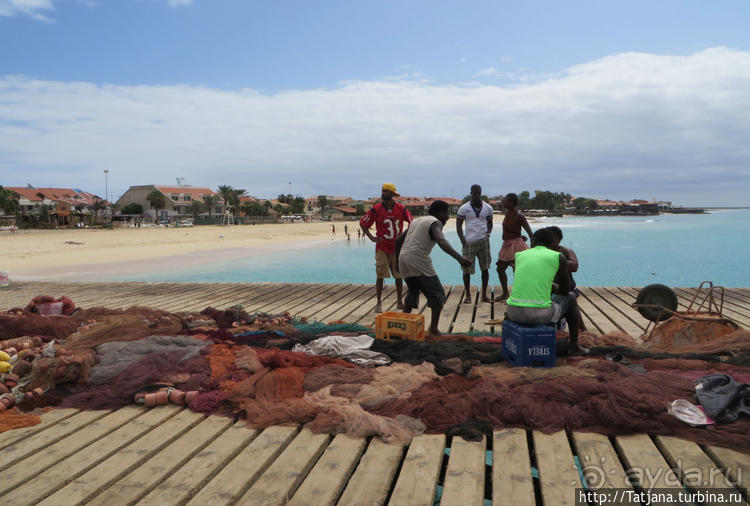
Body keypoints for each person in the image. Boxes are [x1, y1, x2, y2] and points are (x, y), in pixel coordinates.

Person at [505, 228, 589, 355]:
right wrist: (552, 286)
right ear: (552, 245)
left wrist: (547, 285)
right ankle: (574, 347)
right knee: (571, 299)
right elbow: (566, 290)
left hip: (512, 313)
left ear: (533, 241)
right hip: (538, 316)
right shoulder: (558, 257)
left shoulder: (519, 255)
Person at [395, 200, 471, 336]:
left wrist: (396, 262)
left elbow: (398, 240)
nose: (448, 217)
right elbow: (441, 240)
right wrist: (460, 258)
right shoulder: (435, 222)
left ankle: (403, 325)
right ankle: (434, 329)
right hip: (417, 259)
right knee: (438, 295)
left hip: (403, 259)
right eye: (447, 213)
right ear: (440, 213)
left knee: (413, 291)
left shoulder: (417, 221)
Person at [360, 183, 413, 312]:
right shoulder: (376, 209)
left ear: (393, 195)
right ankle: (379, 303)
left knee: (399, 275)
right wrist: (372, 237)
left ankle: (399, 301)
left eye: (387, 191)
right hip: (382, 247)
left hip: (397, 247)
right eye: (383, 191)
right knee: (380, 275)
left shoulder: (401, 209)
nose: (383, 193)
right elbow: (363, 223)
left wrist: (405, 237)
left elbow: (412, 222)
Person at [456, 184, 494, 303]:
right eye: (474, 193)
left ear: (481, 193)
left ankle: (484, 296)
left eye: (479, 193)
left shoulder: (488, 208)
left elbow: (490, 223)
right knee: (466, 270)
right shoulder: (464, 208)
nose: (477, 195)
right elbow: (458, 225)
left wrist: (488, 235)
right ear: (471, 193)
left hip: (484, 241)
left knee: (485, 268)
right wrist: (463, 240)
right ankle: (468, 295)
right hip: (469, 242)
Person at [547, 225, 586, 331]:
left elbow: (574, 266)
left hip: (565, 287)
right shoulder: (543, 252)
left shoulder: (565, 251)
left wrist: (557, 260)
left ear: (559, 240)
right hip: (547, 288)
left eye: (553, 240)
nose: (551, 243)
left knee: (571, 300)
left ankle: (581, 329)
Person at [496, 193, 533, 301]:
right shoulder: (507, 214)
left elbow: (530, 233)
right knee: (500, 269)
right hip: (507, 245)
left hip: (516, 245)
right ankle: (506, 293)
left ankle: (518, 294)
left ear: (512, 202)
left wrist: (535, 247)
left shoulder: (519, 216)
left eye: (506, 201)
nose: (503, 202)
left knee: (516, 270)